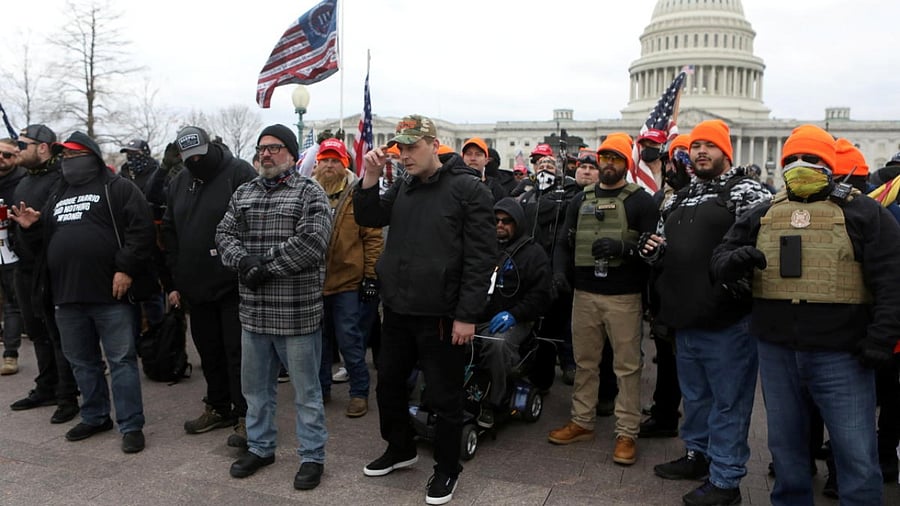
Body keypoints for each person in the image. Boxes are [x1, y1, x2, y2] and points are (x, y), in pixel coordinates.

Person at [710, 124, 900, 505]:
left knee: (857, 456)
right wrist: (736, 261)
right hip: (778, 352)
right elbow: (719, 260)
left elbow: (891, 278)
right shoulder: (763, 212)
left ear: (829, 165)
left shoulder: (864, 212)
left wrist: (881, 338)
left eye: (811, 159)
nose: (800, 165)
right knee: (786, 453)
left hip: (842, 354)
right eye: (791, 160)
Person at [354, 115, 496, 505]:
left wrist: (468, 314)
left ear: (435, 145)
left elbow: (482, 258)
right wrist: (368, 176)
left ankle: (447, 469)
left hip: (442, 314)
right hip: (398, 308)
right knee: (389, 386)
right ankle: (400, 448)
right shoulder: (404, 186)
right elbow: (368, 216)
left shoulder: (467, 189)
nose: (404, 155)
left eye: (412, 147)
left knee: (444, 396)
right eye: (400, 148)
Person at [641, 120, 771, 506]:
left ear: (725, 152)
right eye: (695, 146)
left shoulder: (747, 192)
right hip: (686, 315)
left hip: (728, 317)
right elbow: (666, 242)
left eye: (709, 146)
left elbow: (764, 244)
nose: (700, 152)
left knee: (729, 401)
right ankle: (696, 455)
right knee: (695, 398)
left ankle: (726, 478)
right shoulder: (678, 197)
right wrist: (654, 250)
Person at [11, 131, 156, 454]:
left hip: (111, 295)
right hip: (66, 295)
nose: (68, 162)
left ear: (91, 156)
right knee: (81, 362)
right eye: (64, 157)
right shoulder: (57, 194)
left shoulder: (117, 188)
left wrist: (125, 268)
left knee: (121, 361)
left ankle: (131, 425)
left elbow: (141, 229)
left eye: (75, 156)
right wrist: (31, 228)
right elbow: (41, 248)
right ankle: (95, 415)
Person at [216, 123, 332, 490]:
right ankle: (261, 446)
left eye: (275, 147)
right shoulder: (244, 192)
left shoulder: (309, 192)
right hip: (253, 314)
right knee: (256, 390)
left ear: (292, 154)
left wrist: (261, 266)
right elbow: (223, 235)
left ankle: (312, 456)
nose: (266, 154)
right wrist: (242, 262)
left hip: (296, 313)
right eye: (262, 147)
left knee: (307, 393)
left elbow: (312, 243)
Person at [548, 133, 658, 467]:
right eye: (605, 157)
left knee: (626, 367)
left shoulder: (641, 201)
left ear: (627, 163)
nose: (609, 164)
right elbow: (565, 242)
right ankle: (582, 421)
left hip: (624, 296)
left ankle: (627, 432)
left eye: (616, 158)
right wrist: (559, 272)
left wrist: (624, 248)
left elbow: (655, 248)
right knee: (585, 362)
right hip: (585, 294)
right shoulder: (580, 200)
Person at [162, 126, 256, 446]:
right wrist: (175, 280)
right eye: (188, 158)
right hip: (194, 285)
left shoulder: (238, 171)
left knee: (238, 352)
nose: (195, 162)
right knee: (208, 351)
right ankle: (218, 406)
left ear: (211, 146)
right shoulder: (178, 181)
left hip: (233, 283)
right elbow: (170, 233)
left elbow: (254, 222)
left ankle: (247, 414)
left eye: (200, 155)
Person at [7, 125, 80, 424]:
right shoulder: (24, 181)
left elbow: (61, 227)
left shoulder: (61, 180)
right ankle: (46, 386)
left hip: (51, 270)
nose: (16, 150)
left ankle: (67, 395)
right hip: (22, 269)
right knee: (37, 332)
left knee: (57, 334)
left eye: (22, 145)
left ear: (43, 147)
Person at [312, 137, 383, 417]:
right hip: (316, 283)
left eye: (335, 160)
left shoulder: (359, 193)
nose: (329, 165)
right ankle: (321, 388)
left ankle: (359, 393)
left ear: (345, 164)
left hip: (348, 282)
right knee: (318, 342)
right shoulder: (308, 191)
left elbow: (373, 237)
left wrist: (370, 277)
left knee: (350, 340)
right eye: (325, 160)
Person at [475, 197, 551, 428]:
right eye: (496, 220)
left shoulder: (534, 254)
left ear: (518, 223)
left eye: (507, 221)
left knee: (496, 344)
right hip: (477, 315)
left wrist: (515, 314)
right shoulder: (481, 247)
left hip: (515, 320)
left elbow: (541, 297)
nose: (500, 225)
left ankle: (495, 400)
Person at [640, 132, 692, 439]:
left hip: (691, 289)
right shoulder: (663, 196)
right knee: (666, 354)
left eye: (677, 160)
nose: (670, 166)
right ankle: (665, 411)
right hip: (662, 286)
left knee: (687, 359)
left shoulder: (699, 196)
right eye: (670, 160)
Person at [0, 138, 25, 375]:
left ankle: (10, 354)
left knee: (13, 303)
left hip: (13, 250)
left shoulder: (24, 180)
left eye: (7, 155)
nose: (1, 158)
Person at [462, 137, 506, 202]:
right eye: (468, 154)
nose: (473, 158)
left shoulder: (496, 188)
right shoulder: (453, 185)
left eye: (478, 154)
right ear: (462, 158)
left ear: (486, 160)